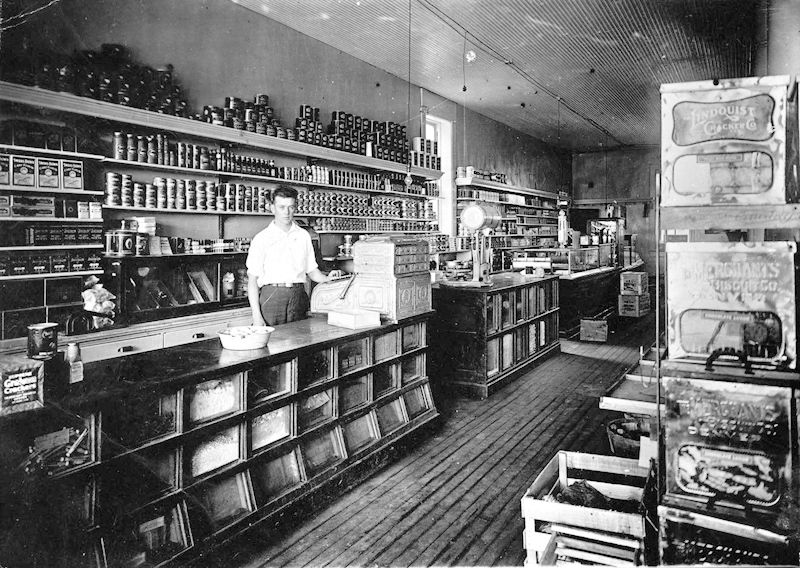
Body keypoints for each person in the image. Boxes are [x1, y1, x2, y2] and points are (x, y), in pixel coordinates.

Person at [246, 185, 343, 326]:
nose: (286, 212)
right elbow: (252, 281)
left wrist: (327, 279)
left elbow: (312, 271)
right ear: (272, 208)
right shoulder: (261, 238)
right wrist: (256, 317)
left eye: (290, 207)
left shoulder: (303, 236)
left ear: (295, 207)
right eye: (281, 207)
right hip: (272, 297)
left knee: (301, 342)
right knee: (274, 345)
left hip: (299, 295)